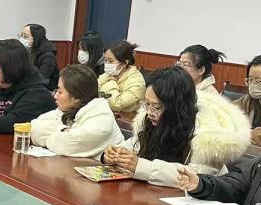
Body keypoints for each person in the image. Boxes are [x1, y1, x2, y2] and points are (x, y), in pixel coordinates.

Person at [103, 67, 250, 187]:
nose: (150, 113)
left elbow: (195, 178)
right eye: (147, 104)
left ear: (177, 108)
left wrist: (141, 167)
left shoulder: (209, 137)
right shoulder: (152, 121)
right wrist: (114, 154)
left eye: (157, 107)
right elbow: (135, 145)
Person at [30, 64, 123, 157]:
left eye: (60, 92)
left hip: (107, 165)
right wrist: (64, 130)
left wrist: (53, 134)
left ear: (77, 97)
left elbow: (66, 146)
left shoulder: (101, 117)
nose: (55, 96)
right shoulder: (70, 108)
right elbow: (34, 126)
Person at [97, 40, 146, 113]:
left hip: (128, 117)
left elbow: (115, 105)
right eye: (105, 60)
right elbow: (93, 91)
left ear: (124, 63)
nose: (106, 64)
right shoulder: (108, 74)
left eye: (110, 61)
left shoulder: (137, 82)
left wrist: (111, 82)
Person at [20, 23, 58, 90]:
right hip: (31, 85)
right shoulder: (29, 50)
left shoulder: (48, 55)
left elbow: (42, 78)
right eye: (21, 35)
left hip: (46, 89)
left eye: (25, 36)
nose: (21, 39)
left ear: (36, 38)